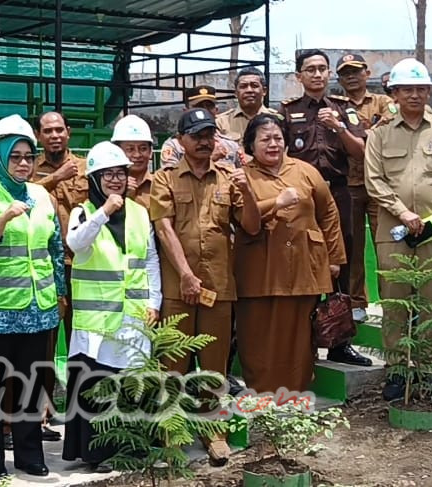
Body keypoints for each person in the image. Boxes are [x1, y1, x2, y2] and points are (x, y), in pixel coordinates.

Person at [149, 108, 260, 465]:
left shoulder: (229, 178)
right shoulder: (164, 179)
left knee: (214, 366)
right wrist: (184, 274)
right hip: (177, 289)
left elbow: (251, 227)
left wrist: (251, 193)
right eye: (196, 135)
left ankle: (215, 433)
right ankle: (172, 433)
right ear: (180, 140)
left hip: (218, 288)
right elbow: (164, 229)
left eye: (209, 134)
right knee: (174, 363)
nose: (204, 141)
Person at [0, 115, 65, 480]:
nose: (23, 163)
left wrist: (59, 294)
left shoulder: (41, 195)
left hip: (38, 310)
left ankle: (29, 455)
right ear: (0, 156)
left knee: (30, 386)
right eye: (16, 156)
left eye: (28, 156)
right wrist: (2, 218)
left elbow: (54, 249)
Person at [365, 58, 432, 401]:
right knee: (395, 305)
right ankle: (397, 372)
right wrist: (403, 213)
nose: (414, 95)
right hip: (394, 232)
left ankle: (428, 371)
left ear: (429, 91)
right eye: (406, 89)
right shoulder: (379, 134)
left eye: (420, 89)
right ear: (394, 93)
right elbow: (374, 182)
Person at [63, 142, 161, 473]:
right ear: (94, 178)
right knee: (97, 386)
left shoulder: (139, 212)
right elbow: (76, 243)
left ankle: (130, 449)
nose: (116, 180)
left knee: (131, 385)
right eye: (108, 174)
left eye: (120, 174)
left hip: (133, 317)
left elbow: (149, 259)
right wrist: (103, 211)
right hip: (95, 322)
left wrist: (155, 301)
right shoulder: (82, 212)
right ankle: (98, 454)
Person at [235, 113, 346, 393]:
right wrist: (276, 202)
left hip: (303, 265)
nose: (272, 144)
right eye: (265, 139)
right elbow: (243, 219)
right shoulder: (242, 176)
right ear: (250, 145)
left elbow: (329, 212)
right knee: (256, 333)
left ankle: (295, 393)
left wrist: (334, 258)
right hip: (259, 268)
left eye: (277, 138)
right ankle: (261, 393)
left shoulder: (306, 171)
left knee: (299, 336)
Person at [277, 49, 371, 367]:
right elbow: (279, 155)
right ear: (299, 76)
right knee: (300, 265)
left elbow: (361, 153)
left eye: (322, 69)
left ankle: (339, 343)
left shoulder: (343, 109)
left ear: (329, 74)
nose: (317, 75)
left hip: (339, 195)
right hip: (302, 199)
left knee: (339, 265)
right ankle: (301, 342)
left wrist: (339, 127)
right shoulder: (288, 111)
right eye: (310, 69)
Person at [30, 110, 82, 441]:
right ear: (39, 135)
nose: (54, 136)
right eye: (47, 131)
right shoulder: (29, 168)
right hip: (48, 267)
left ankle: (80, 413)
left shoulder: (87, 167)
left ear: (69, 132)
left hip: (84, 268)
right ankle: (41, 414)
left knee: (82, 341)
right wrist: (56, 177)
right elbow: (23, 194)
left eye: (59, 130)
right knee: (45, 345)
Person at [335, 53, 396, 323]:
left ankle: (391, 301)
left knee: (386, 245)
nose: (351, 76)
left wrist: (361, 135)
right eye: (345, 72)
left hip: (380, 182)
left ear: (366, 73)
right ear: (339, 78)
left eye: (355, 71)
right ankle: (357, 301)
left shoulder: (383, 102)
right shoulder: (335, 106)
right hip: (349, 184)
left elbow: (389, 128)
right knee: (353, 246)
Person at [159, 85, 242, 168]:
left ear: (216, 111)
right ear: (185, 111)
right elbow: (170, 178)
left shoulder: (230, 145)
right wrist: (210, 159)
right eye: (199, 106)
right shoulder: (175, 145)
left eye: (209, 106)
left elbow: (244, 174)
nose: (204, 111)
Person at [216, 67, 276, 141]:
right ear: (235, 93)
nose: (249, 90)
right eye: (243, 86)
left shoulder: (277, 119)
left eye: (254, 86)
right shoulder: (221, 122)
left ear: (264, 91)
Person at [111, 114, 156, 208]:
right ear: (117, 151)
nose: (137, 155)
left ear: (151, 152)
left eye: (143, 149)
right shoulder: (107, 186)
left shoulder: (160, 185)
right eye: (130, 149)